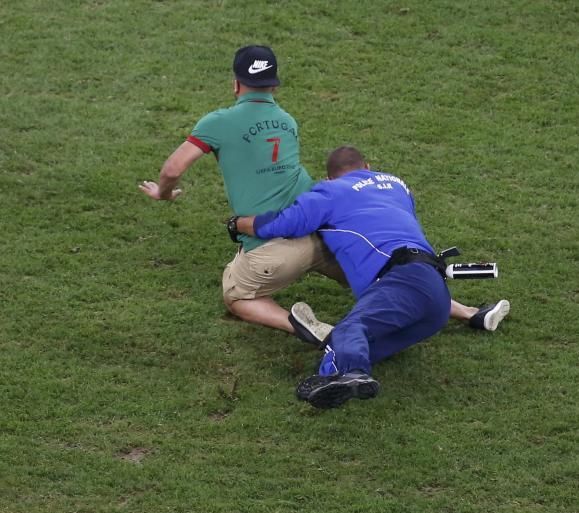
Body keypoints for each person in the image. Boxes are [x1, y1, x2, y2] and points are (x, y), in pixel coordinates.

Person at [140, 45, 509, 342]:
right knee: (389, 277)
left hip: (275, 249)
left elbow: (173, 168)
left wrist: (163, 192)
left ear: (236, 84)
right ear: (275, 85)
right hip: (325, 235)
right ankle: (471, 313)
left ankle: (305, 327)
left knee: (237, 296)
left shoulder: (217, 122)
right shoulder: (286, 121)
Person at [231, 146, 453, 408]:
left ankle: (353, 372)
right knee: (346, 345)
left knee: (350, 328)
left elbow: (284, 223)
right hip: (438, 297)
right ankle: (332, 376)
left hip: (401, 278)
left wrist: (237, 224)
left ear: (329, 178)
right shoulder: (395, 184)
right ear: (367, 166)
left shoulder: (330, 191)